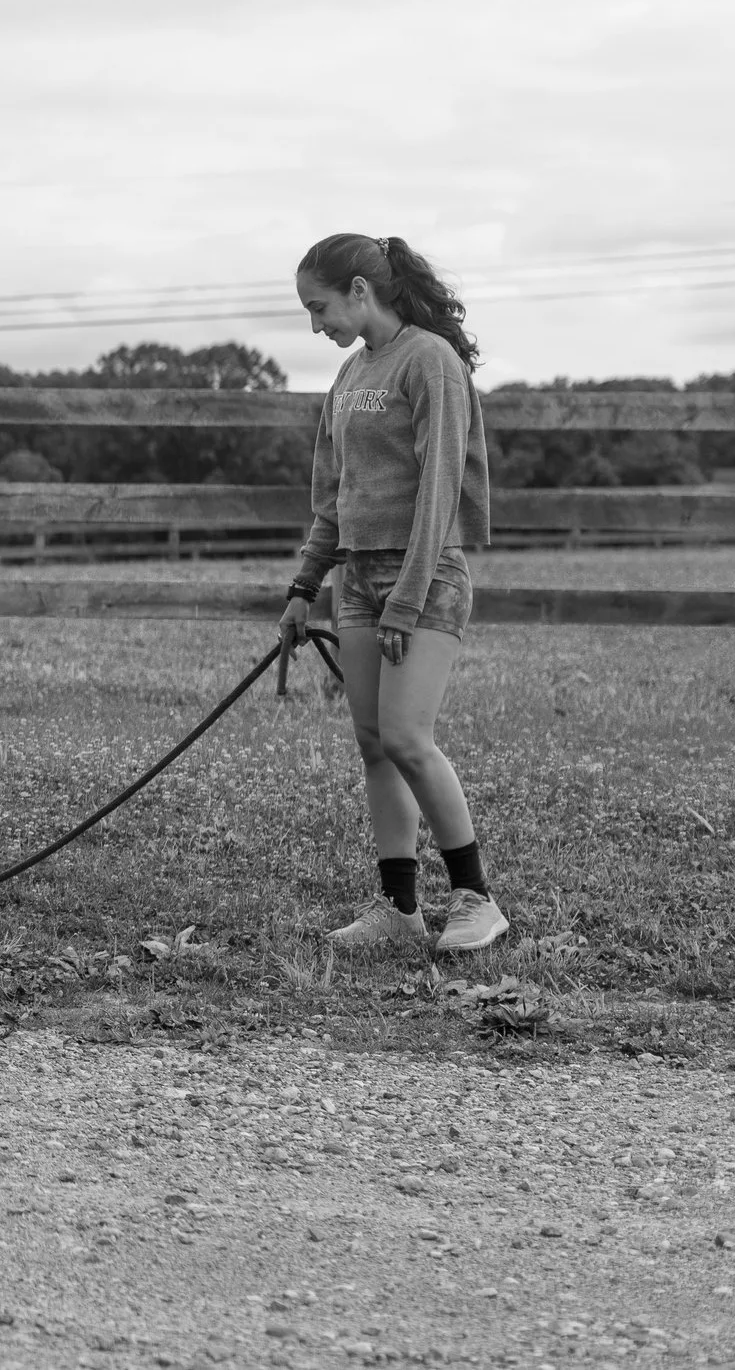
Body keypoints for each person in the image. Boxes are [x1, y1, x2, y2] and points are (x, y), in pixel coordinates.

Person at [280, 233, 510, 957]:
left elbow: (440, 487)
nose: (316, 325)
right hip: (356, 578)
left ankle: (477, 899)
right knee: (375, 744)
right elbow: (333, 496)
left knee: (408, 738)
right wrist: (303, 587)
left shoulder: (429, 360)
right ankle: (398, 907)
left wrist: (407, 599)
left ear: (359, 290)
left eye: (319, 307)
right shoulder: (350, 375)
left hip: (426, 575)